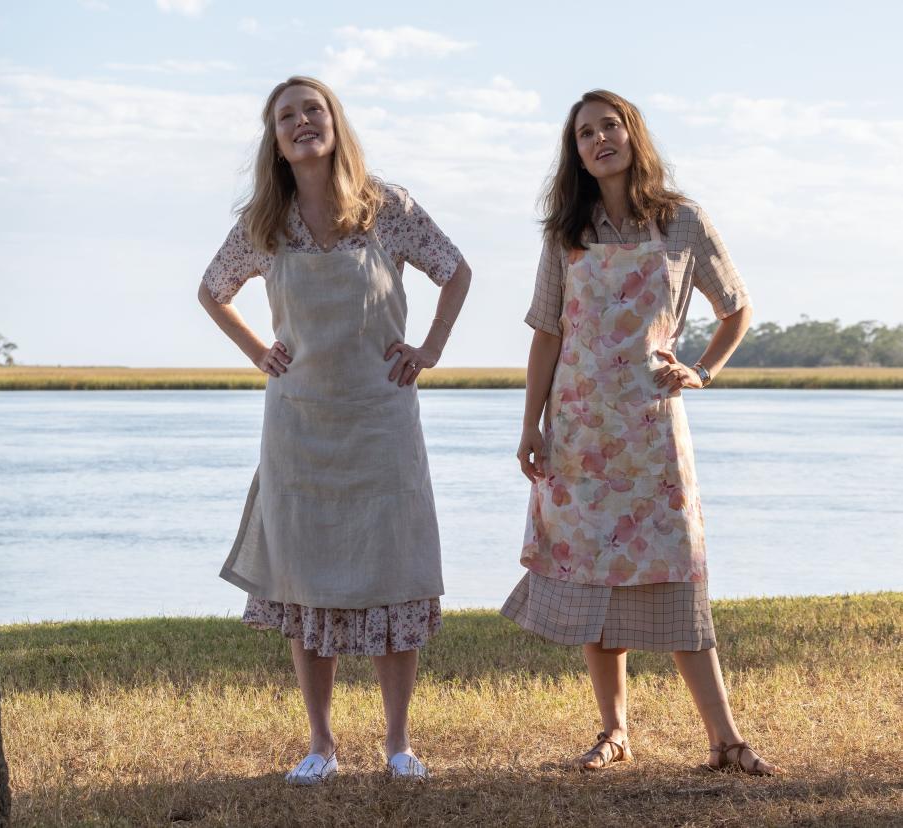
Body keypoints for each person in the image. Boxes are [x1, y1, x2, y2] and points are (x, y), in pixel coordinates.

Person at [198, 76, 472, 783]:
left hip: (382, 423)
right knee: (305, 581)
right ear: (276, 139)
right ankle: (320, 745)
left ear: (334, 122)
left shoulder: (388, 208)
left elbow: (456, 270)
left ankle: (398, 745)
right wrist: (259, 351)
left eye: (312, 110)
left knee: (395, 573)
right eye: (286, 117)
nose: (301, 123)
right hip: (299, 430)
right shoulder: (267, 221)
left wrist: (431, 348)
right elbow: (212, 291)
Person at [504, 89, 780, 775]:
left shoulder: (681, 220)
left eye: (610, 126)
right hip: (576, 430)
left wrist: (704, 370)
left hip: (651, 431)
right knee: (595, 579)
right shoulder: (567, 231)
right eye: (585, 134)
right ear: (576, 152)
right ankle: (613, 732)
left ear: (633, 134)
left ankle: (725, 739)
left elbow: (736, 307)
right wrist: (531, 423)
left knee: (678, 579)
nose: (600, 140)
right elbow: (547, 332)